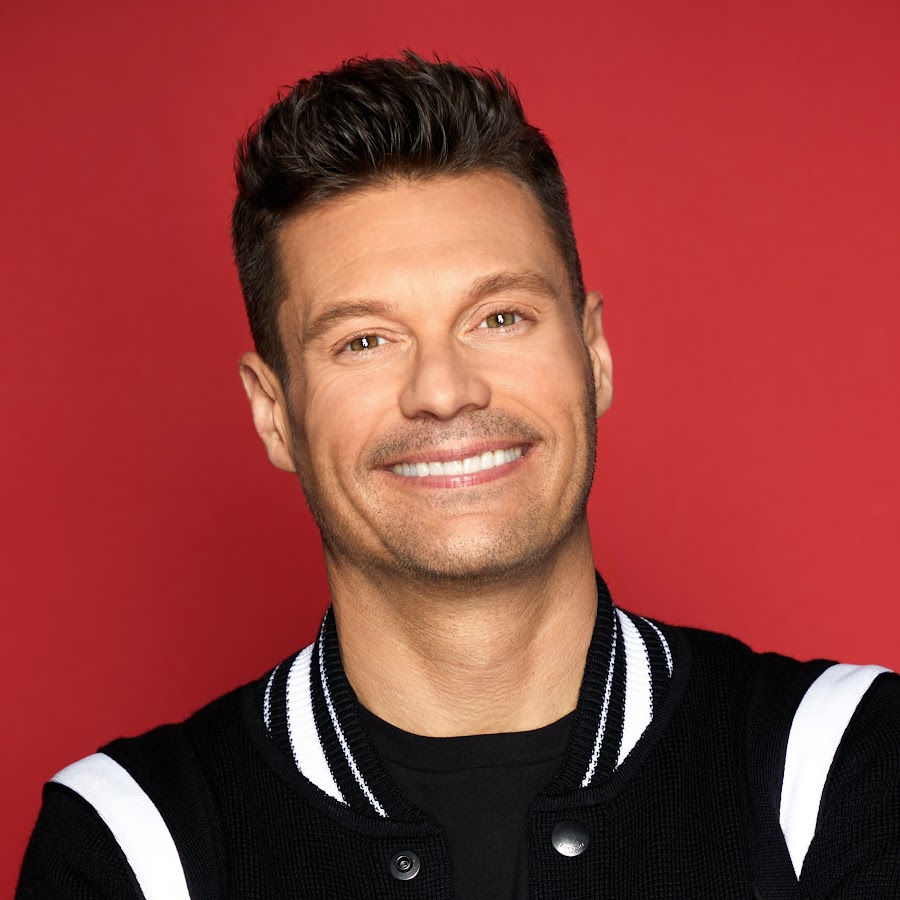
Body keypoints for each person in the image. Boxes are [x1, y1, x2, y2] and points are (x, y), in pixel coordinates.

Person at [17, 52, 900, 900]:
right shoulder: (131, 842)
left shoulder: (843, 760)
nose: (443, 391)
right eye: (365, 339)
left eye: (499, 317)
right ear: (274, 411)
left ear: (593, 354)